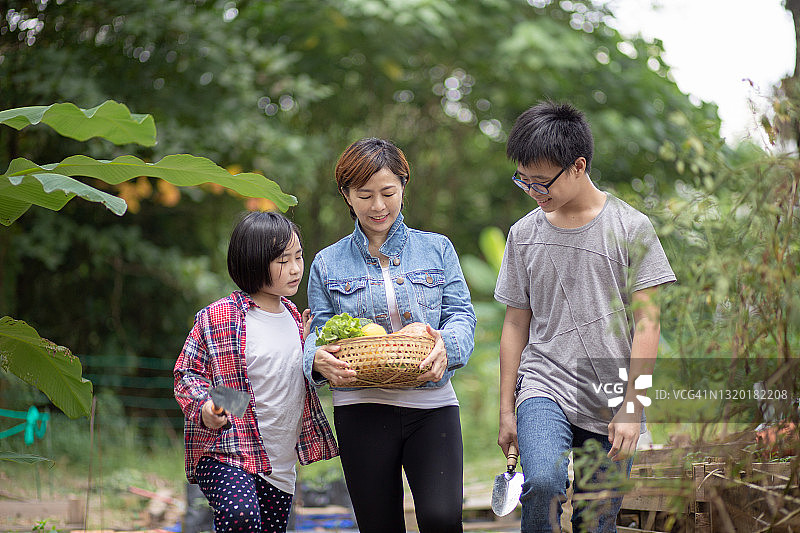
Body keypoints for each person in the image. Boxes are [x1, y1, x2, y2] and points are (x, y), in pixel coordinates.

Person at [495, 101, 676, 533]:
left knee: (596, 520)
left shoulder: (631, 228)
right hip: (544, 382)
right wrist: (506, 408)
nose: (534, 191)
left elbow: (648, 324)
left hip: (611, 392)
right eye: (525, 181)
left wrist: (633, 406)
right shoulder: (524, 234)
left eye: (542, 182)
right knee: (540, 483)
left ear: (578, 166)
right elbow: (515, 324)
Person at [303, 138, 476, 533]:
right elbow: (319, 330)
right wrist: (314, 357)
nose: (378, 206)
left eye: (387, 193)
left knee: (442, 519)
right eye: (364, 195)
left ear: (404, 186)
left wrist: (447, 349)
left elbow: (461, 315)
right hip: (360, 407)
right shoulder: (327, 262)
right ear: (347, 195)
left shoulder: (437, 249)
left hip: (433, 405)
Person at [174, 211, 338, 533]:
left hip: (279, 463)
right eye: (282, 260)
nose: (295, 268)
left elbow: (287, 379)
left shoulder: (295, 317)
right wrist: (211, 407)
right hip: (228, 451)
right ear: (253, 261)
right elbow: (187, 375)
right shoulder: (220, 316)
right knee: (241, 518)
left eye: (299, 256)